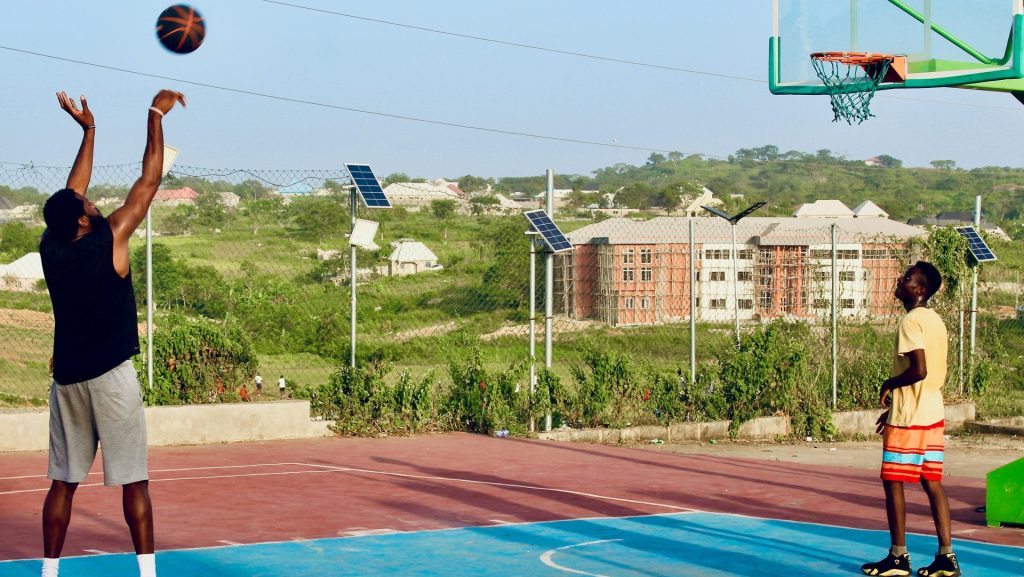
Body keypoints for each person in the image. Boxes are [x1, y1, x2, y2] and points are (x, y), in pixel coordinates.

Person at [39, 89, 186, 577]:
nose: (91, 197)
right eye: (87, 201)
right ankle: (147, 573)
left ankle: (48, 573)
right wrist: (154, 114)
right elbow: (150, 179)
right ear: (83, 219)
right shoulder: (113, 235)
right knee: (134, 482)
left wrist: (89, 130)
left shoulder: (52, 248)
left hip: (68, 381)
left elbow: (68, 195)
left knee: (62, 483)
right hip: (110, 379)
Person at [861, 262, 960, 577]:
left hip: (911, 417)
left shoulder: (910, 321)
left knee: (893, 481)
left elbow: (918, 370)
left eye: (906, 278)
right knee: (932, 482)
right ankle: (947, 557)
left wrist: (889, 385)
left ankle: (898, 557)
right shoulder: (934, 320)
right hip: (932, 410)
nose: (899, 280)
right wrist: (893, 406)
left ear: (919, 290)